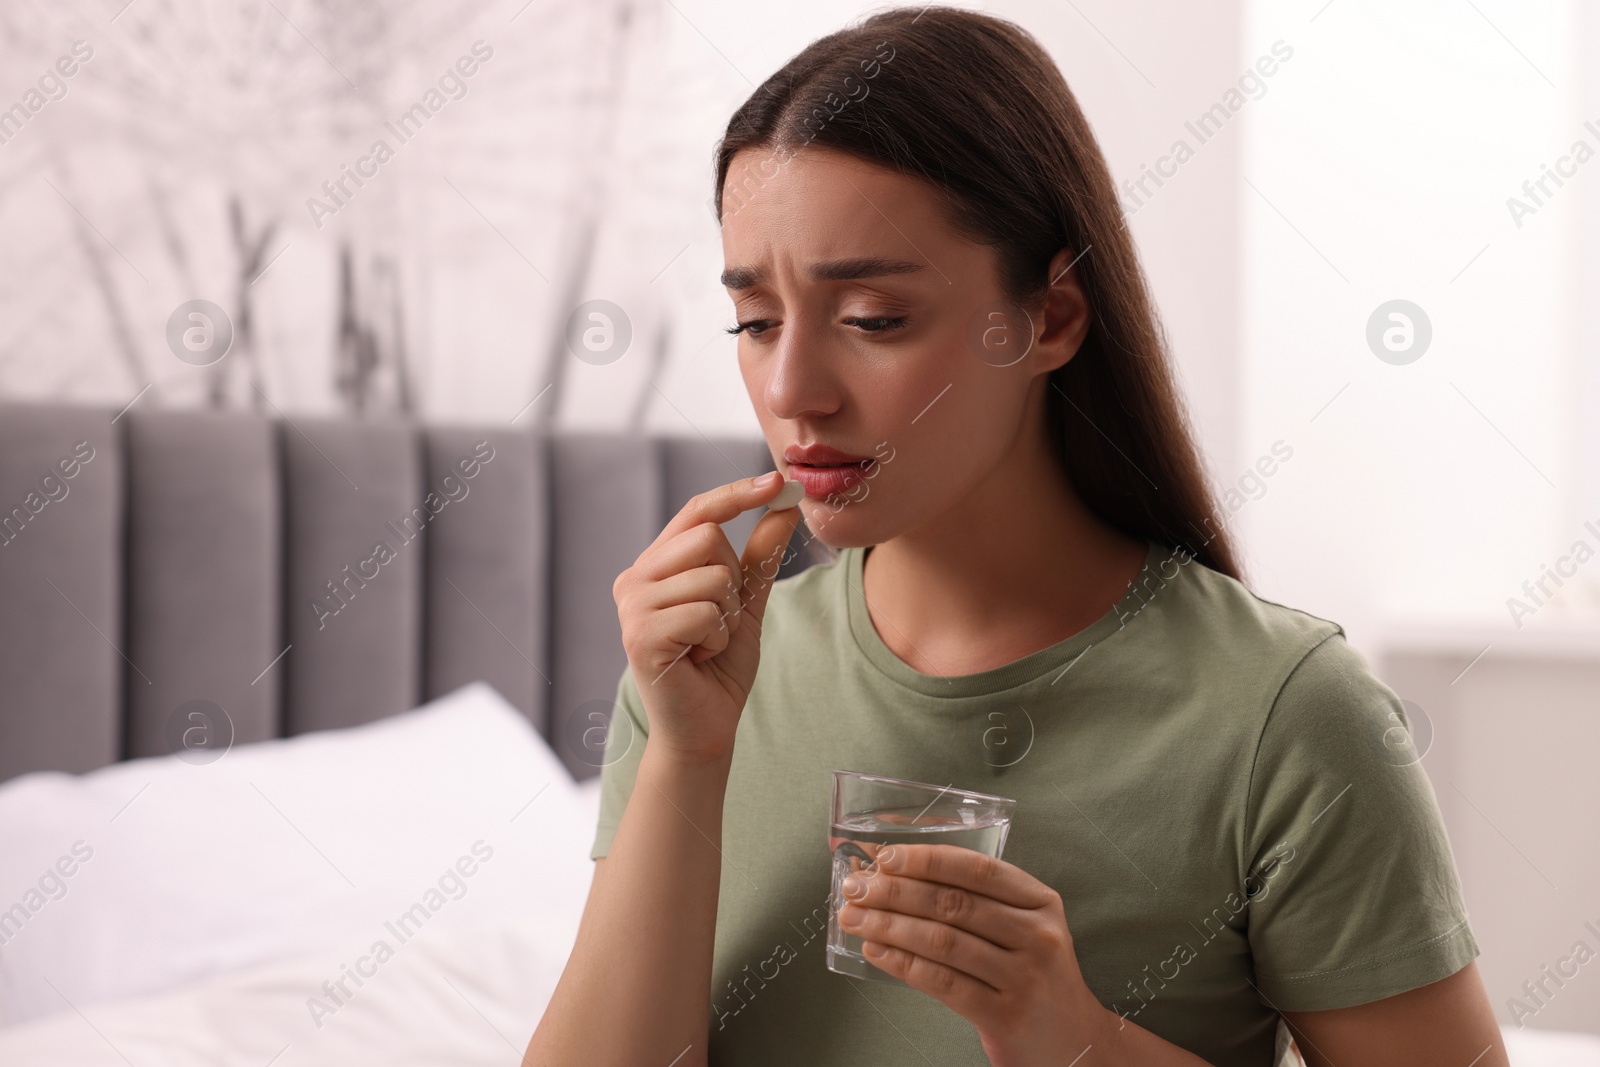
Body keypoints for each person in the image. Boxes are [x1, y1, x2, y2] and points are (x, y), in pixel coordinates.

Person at [524, 7, 1506, 1066]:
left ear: (1049, 318)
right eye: (755, 322)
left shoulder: (1288, 715)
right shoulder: (701, 681)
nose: (790, 389)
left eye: (870, 318)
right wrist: (684, 756)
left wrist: (1080, 1040)